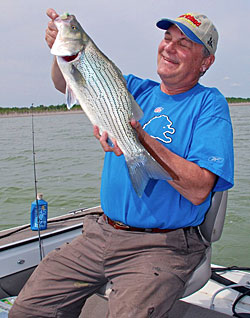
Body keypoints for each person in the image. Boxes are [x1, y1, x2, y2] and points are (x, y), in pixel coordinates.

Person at [9, 9, 234, 318]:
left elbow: (198, 191)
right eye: (167, 38)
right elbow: (67, 84)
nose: (169, 47)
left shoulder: (209, 104)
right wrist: (58, 50)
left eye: (184, 43)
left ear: (205, 61)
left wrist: (140, 141)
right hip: (100, 234)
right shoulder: (136, 89)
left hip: (162, 247)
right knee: (27, 310)